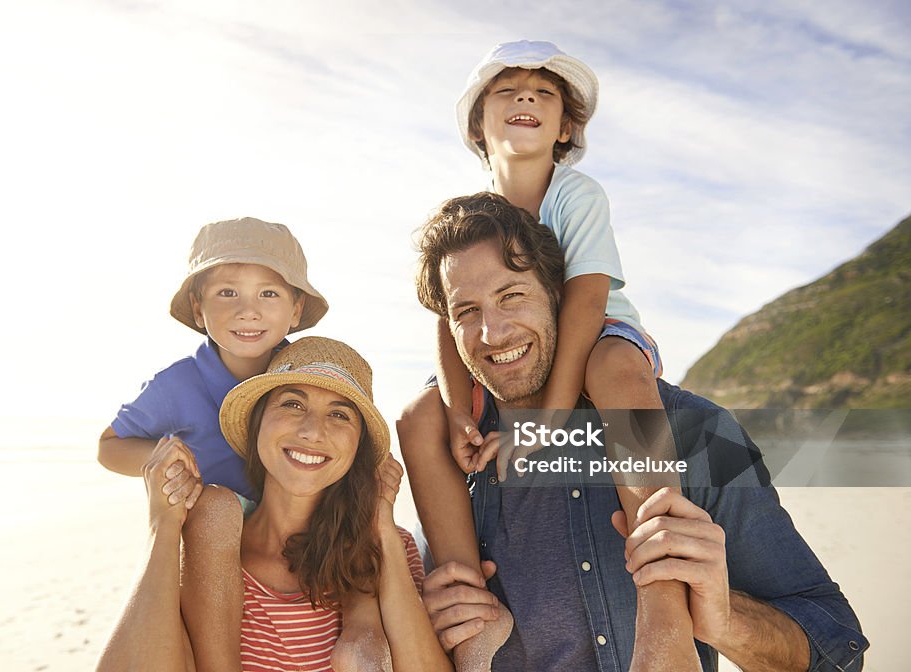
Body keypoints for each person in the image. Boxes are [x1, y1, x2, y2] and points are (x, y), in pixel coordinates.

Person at [400, 192, 868, 671]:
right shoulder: (451, 457)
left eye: (511, 296)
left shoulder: (696, 435)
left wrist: (723, 619)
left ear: (560, 296)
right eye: (467, 312)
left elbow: (838, 656)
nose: (492, 333)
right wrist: (426, 625)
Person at [399, 40, 697, 669]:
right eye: (506, 92)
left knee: (612, 370)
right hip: (508, 348)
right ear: (480, 126)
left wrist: (548, 424)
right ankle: (465, 602)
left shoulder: (577, 194)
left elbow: (586, 303)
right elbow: (449, 319)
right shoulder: (470, 218)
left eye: (544, 92)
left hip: (602, 334)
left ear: (566, 127)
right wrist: (457, 411)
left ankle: (662, 578)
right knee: (415, 416)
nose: (525, 98)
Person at [97, 337, 453, 672]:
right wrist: (163, 526)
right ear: (257, 424)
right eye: (293, 404)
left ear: (358, 446)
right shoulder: (207, 542)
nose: (313, 431)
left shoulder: (390, 549)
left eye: (339, 415)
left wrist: (383, 529)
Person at [96, 217, 329, 669]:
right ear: (198, 309)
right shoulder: (176, 384)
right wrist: (163, 458)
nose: (249, 311)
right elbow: (109, 446)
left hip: (290, 528)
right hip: (212, 535)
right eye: (227, 293)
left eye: (269, 293)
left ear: (296, 309)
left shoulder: (305, 372)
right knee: (216, 506)